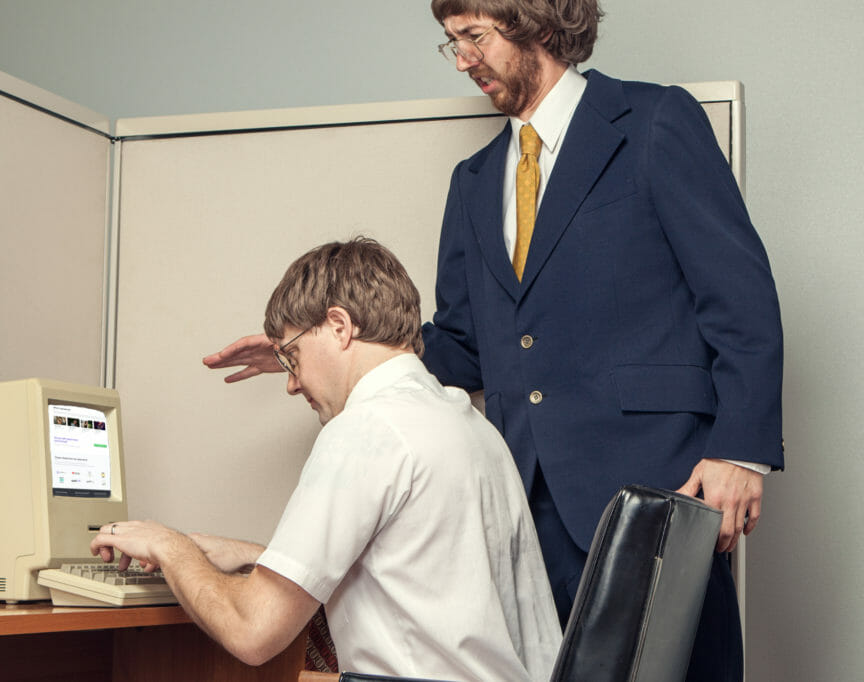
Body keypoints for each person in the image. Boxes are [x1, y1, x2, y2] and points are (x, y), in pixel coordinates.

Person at [203, 3, 784, 680]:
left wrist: (739, 450)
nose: (462, 60)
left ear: (536, 24)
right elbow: (462, 344)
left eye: (473, 38)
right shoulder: (473, 182)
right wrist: (310, 347)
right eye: (450, 43)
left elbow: (739, 295)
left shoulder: (654, 123)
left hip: (658, 493)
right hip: (527, 509)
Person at [95, 238, 562, 681]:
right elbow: (422, 578)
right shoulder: (468, 425)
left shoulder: (367, 428)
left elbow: (251, 631)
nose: (292, 383)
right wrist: (258, 556)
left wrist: (168, 545)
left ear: (339, 326)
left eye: (291, 356)